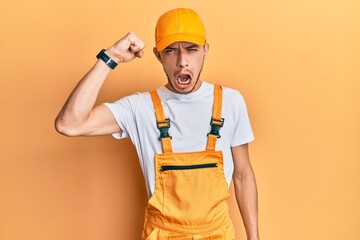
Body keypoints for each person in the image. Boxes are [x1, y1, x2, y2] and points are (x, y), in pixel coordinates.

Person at [55, 8, 259, 240]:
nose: (182, 62)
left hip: (218, 234)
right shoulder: (139, 108)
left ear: (205, 50)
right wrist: (111, 57)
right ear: (158, 55)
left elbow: (243, 175)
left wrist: (254, 237)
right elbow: (69, 124)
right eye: (171, 51)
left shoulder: (231, 102)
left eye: (191, 50)